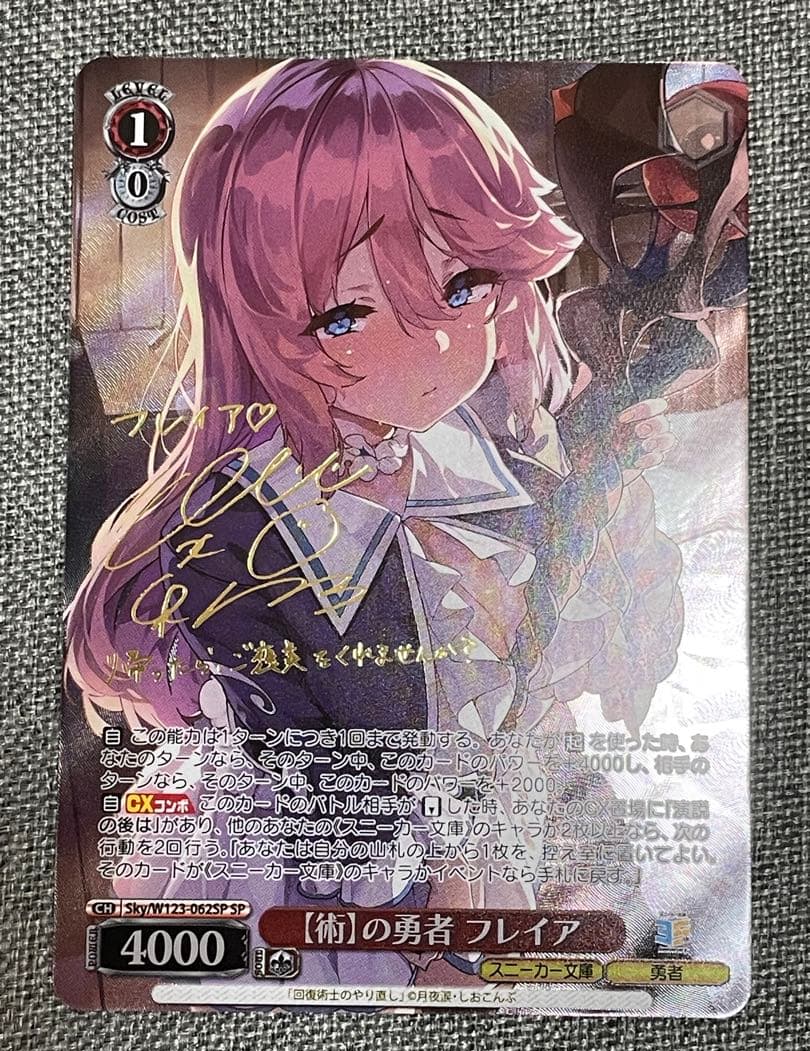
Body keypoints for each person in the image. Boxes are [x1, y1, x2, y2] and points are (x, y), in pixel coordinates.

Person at [66, 59, 679, 988]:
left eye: (464, 286)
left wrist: (604, 466)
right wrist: (433, 905)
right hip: (325, 878)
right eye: (346, 314)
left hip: (477, 845)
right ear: (256, 318)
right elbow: (302, 766)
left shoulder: (492, 472)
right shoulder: (233, 529)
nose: (436, 344)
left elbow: (535, 681)